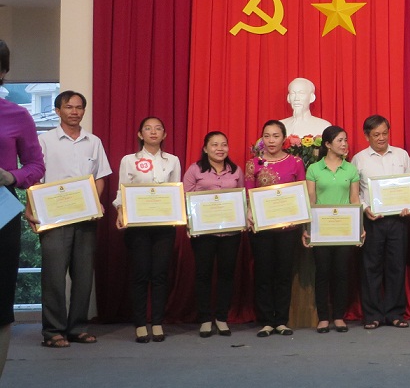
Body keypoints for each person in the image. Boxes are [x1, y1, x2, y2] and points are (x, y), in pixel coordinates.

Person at [37, 91, 112, 348]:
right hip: (54, 217)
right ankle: (53, 331)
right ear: (58, 111)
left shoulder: (93, 141)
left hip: (85, 217)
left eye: (79, 107)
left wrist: (93, 202)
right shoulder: (45, 140)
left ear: (84, 111)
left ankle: (78, 328)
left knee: (83, 276)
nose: (74, 112)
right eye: (69, 107)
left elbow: (100, 176)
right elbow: (37, 179)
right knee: (54, 276)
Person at [0, 39, 45, 388]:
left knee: (0, 308)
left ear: (3, 71)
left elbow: (35, 167)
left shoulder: (17, 115)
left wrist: (10, 176)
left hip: (1, 216)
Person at [113, 116, 182, 343]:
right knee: (141, 274)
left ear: (164, 134)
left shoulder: (173, 161)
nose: (153, 132)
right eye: (148, 128)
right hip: (138, 225)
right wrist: (120, 211)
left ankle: (158, 322)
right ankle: (141, 323)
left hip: (164, 225)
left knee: (160, 274)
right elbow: (122, 190)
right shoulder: (129, 160)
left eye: (158, 128)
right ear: (140, 134)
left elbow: (176, 190)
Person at [351, 115, 410, 329]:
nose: (381, 138)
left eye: (385, 133)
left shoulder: (401, 155)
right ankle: (372, 315)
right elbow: (354, 192)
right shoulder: (359, 159)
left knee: (396, 266)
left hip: (399, 220)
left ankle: (395, 313)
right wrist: (364, 208)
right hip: (372, 220)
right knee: (371, 268)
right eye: (376, 134)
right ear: (366, 136)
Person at [245, 120, 305, 337]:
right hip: (261, 229)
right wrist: (249, 212)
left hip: (288, 229)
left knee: (283, 274)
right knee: (263, 273)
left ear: (284, 139)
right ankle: (266, 321)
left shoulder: (296, 162)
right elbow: (248, 194)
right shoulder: (253, 164)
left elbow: (301, 193)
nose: (271, 140)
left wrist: (300, 220)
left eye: (276, 136)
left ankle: (281, 320)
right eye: (267, 136)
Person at [182, 131, 244, 338]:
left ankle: (222, 318)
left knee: (227, 274)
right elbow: (185, 198)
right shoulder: (195, 169)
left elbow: (241, 198)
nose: (220, 148)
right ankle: (205, 319)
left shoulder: (235, 170)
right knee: (203, 275)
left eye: (224, 144)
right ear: (205, 148)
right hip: (204, 233)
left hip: (230, 232)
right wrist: (190, 224)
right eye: (215, 144)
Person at [303, 124, 361, 333]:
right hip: (321, 229)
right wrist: (307, 228)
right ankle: (323, 318)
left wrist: (359, 227)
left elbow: (354, 199)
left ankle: (338, 316)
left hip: (345, 229)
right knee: (323, 272)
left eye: (345, 140)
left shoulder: (350, 169)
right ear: (327, 144)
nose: (344, 144)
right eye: (340, 140)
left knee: (342, 273)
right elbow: (311, 200)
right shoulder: (314, 169)